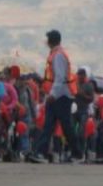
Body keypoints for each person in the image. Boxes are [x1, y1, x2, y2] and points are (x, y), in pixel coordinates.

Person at [31, 30, 81, 163]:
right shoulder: (57, 54)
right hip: (59, 95)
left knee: (65, 126)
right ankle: (41, 153)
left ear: (50, 41)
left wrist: (52, 94)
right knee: (49, 125)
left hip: (61, 96)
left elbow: (60, 78)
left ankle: (77, 154)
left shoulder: (58, 55)